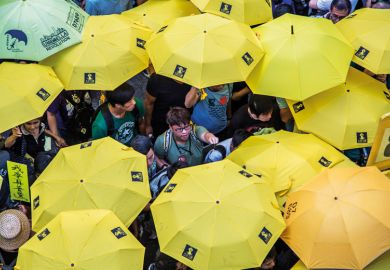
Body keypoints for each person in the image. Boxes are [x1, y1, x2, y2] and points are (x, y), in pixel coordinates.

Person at [154, 107, 218, 167]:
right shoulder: (162, 141)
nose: (184, 132)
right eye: (179, 129)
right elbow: (157, 158)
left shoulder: (194, 130)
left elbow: (205, 135)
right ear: (170, 128)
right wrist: (167, 168)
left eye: (186, 127)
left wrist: (210, 137)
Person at [144, 74, 192, 139]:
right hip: (160, 123)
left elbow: (190, 104)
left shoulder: (195, 82)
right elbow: (148, 103)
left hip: (183, 123)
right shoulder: (157, 79)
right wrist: (148, 125)